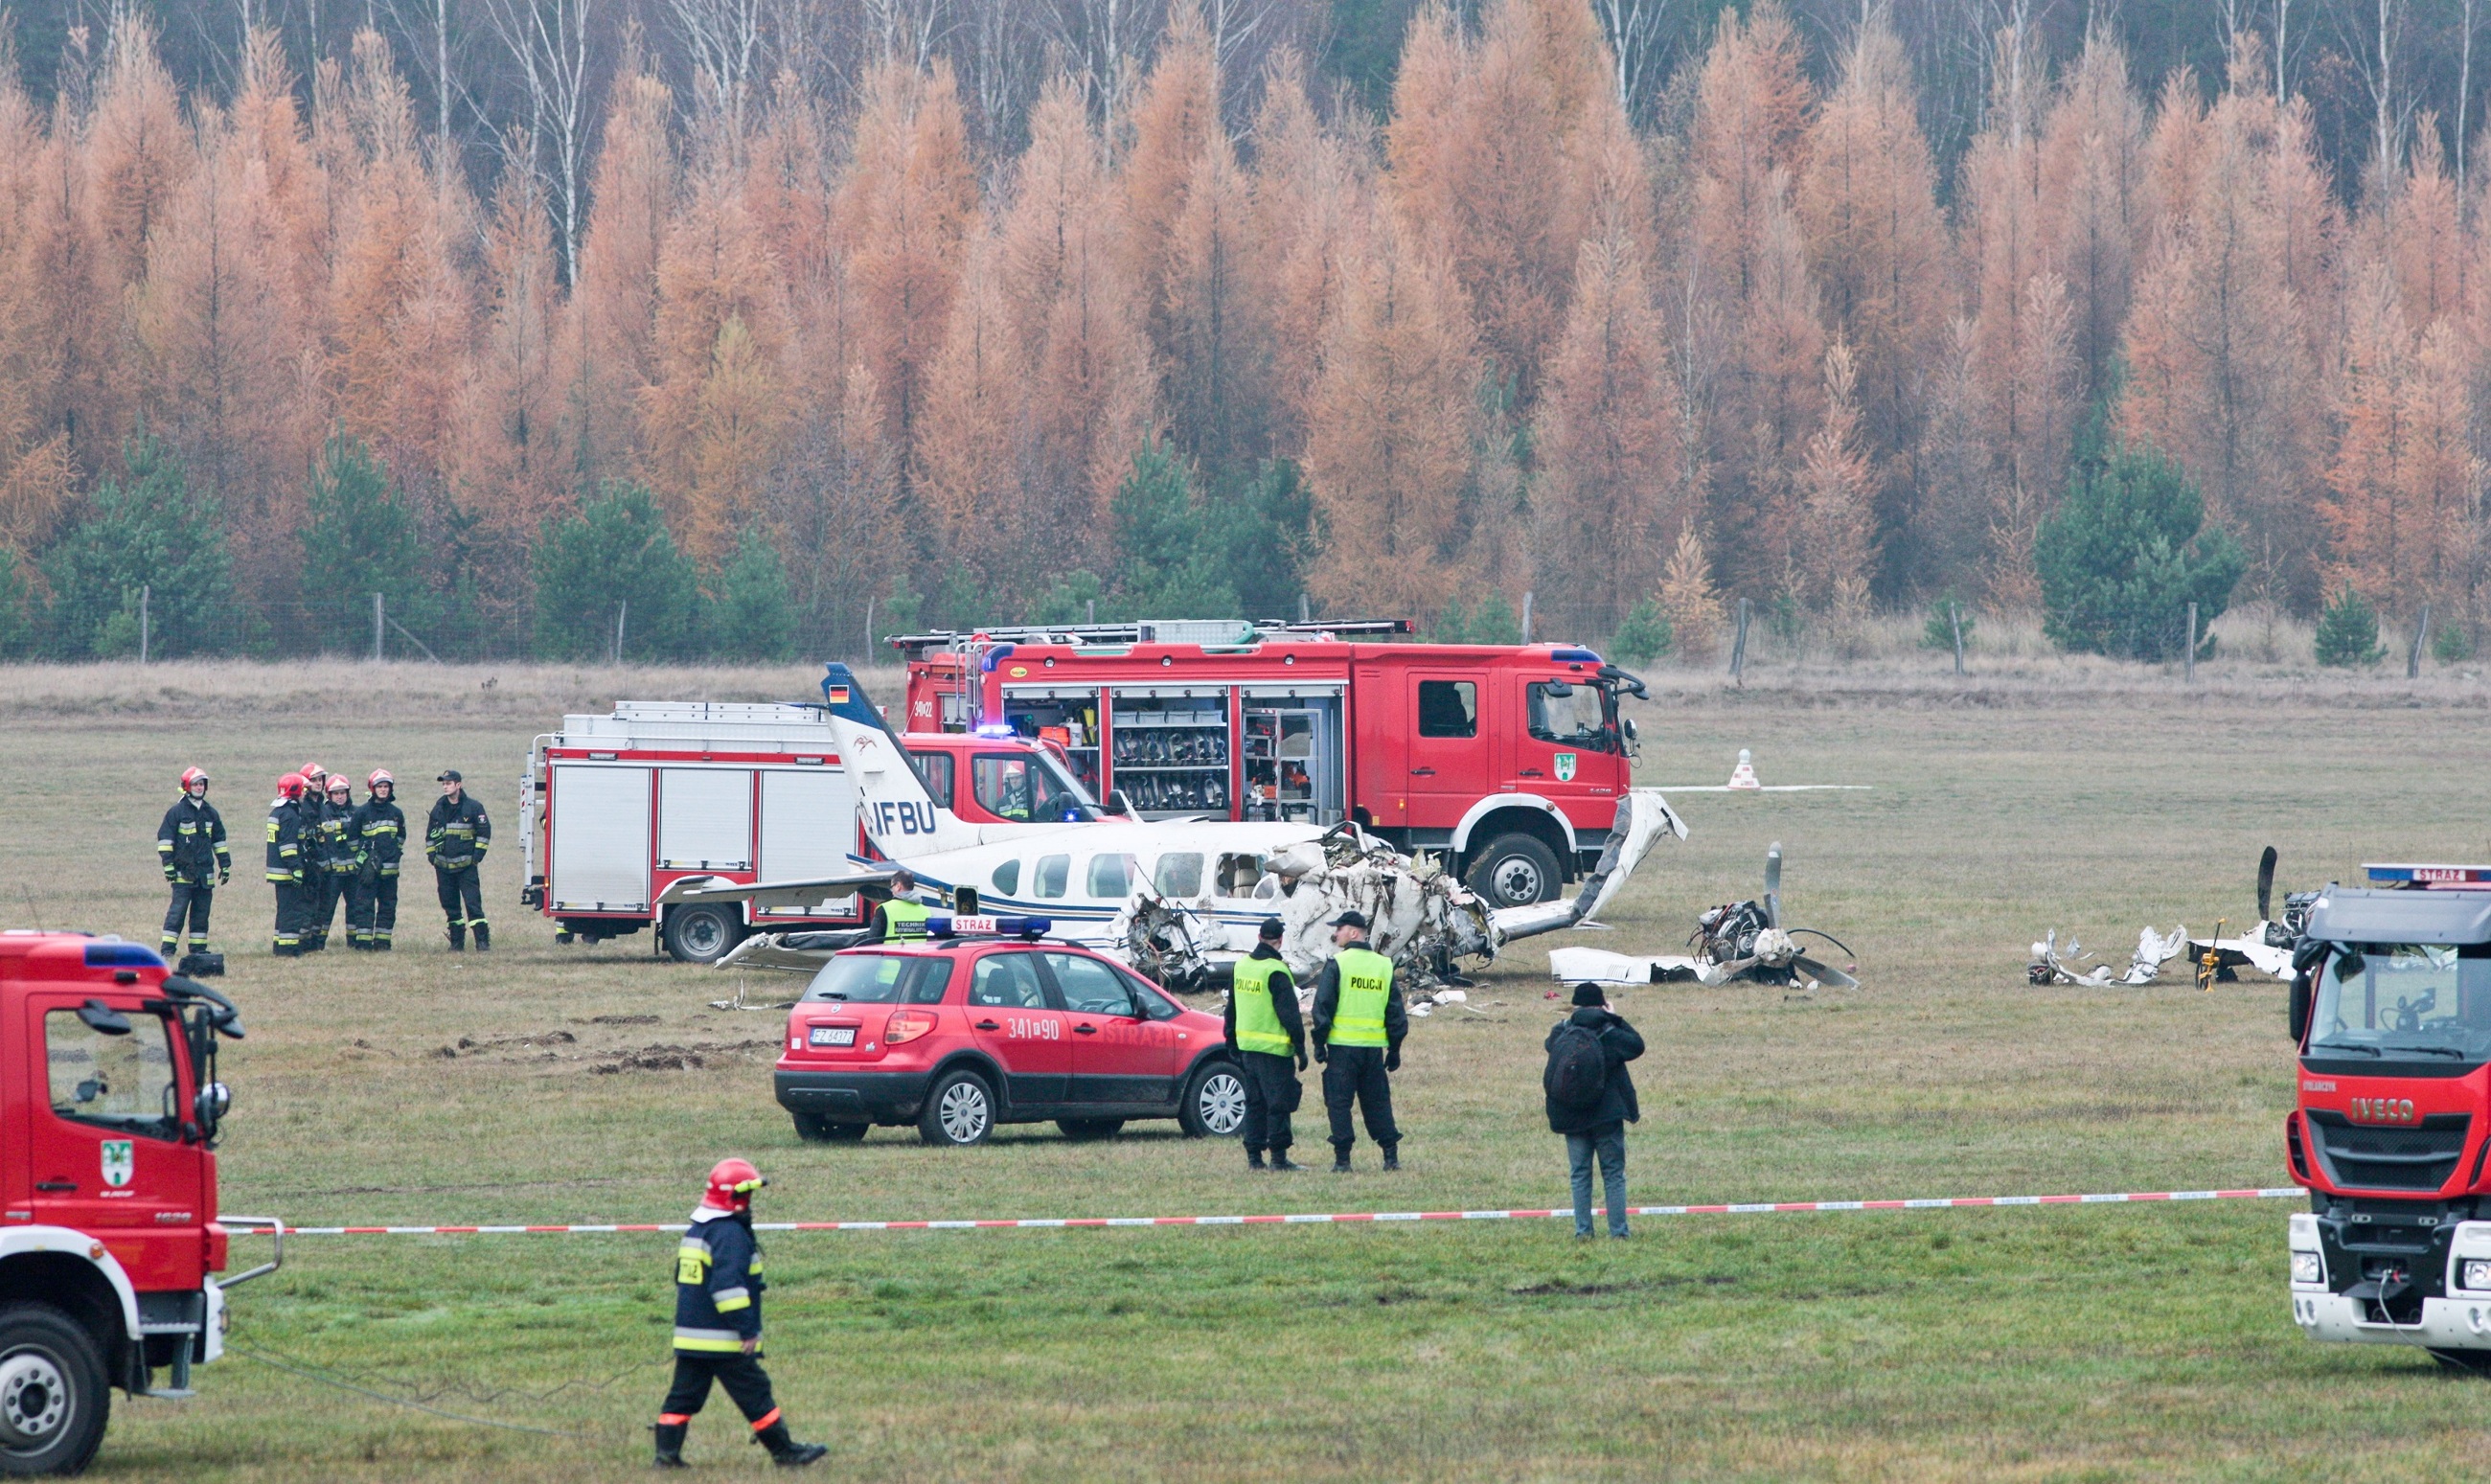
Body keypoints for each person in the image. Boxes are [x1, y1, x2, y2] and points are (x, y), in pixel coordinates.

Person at [652, 1158, 828, 1470]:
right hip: (723, 1339)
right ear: (735, 1198)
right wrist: (747, 1330)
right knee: (755, 1394)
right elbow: (727, 1290)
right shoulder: (729, 1235)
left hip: (691, 1337)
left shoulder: (698, 1230)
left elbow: (683, 1278)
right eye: (746, 1197)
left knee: (682, 1398)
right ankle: (785, 1453)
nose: (749, 1204)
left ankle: (666, 1457)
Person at [1544, 983, 1645, 1240]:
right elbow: (1637, 1046)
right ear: (1602, 1004)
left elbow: (1550, 1046)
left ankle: (1583, 1232)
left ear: (1575, 1005)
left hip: (1571, 1114)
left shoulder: (1563, 1032)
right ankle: (1619, 1233)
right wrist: (1615, 1018)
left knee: (1579, 1174)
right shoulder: (1611, 1031)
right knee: (1613, 1174)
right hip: (1607, 1114)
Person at [1309, 910, 1406, 1173]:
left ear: (1353, 932)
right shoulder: (1383, 966)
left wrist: (1319, 1043)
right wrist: (1394, 1049)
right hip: (1373, 1052)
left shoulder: (1338, 964)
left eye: (1339, 929)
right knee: (1377, 1103)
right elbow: (1395, 1013)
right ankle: (1390, 1157)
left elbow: (1322, 1008)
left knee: (1339, 1103)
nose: (1335, 934)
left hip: (1342, 1050)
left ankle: (1343, 1161)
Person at [1224, 917, 1308, 1171]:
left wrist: (1231, 1038)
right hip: (1274, 1051)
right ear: (1280, 941)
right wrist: (1301, 1048)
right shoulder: (1277, 970)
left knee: (1255, 1104)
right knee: (1278, 1104)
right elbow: (1290, 1015)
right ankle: (1279, 1159)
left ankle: (1254, 1158)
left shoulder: (1241, 967)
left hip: (1247, 1049)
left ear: (1259, 938)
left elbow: (1232, 1008)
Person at [156, 767, 229, 963]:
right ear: (187, 787)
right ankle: (167, 949)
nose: (199, 787)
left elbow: (219, 841)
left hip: (205, 872)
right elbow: (165, 840)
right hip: (183, 872)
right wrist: (168, 866)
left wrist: (225, 864)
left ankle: (198, 949)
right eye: (196, 784)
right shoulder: (176, 812)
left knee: (201, 912)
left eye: (202, 784)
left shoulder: (210, 812)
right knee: (177, 911)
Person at [426, 769, 491, 951]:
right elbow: (429, 836)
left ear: (458, 785)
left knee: (473, 904)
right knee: (450, 905)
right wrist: (432, 857)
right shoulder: (438, 808)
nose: (445, 786)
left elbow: (484, 833)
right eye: (443, 784)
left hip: (466, 867)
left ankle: (482, 941)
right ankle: (456, 942)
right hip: (443, 867)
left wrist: (476, 857)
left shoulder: (473, 807)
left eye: (448, 783)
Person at [349, 770, 405, 950]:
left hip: (390, 872)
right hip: (368, 872)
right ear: (372, 789)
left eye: (386, 787)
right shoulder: (362, 812)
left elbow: (401, 838)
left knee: (388, 907)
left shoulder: (396, 813)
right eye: (380, 786)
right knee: (364, 906)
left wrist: (393, 854)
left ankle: (383, 943)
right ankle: (363, 943)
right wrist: (363, 857)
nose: (383, 790)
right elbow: (352, 840)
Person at [303, 773, 358, 952]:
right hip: (332, 873)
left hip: (353, 872)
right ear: (329, 795)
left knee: (355, 909)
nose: (340, 796)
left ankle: (354, 943)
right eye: (336, 793)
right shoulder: (323, 813)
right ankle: (318, 944)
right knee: (325, 910)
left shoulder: (357, 812)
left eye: (343, 792)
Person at [264, 774, 309, 957]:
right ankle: (288, 949)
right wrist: (297, 869)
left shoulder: (277, 811)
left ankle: (279, 945)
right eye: (303, 790)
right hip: (287, 872)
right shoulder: (290, 815)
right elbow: (288, 847)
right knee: (291, 911)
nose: (304, 794)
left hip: (278, 871)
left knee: (283, 910)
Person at [864, 869, 932, 943]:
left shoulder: (884, 909)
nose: (891, 890)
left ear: (898, 886)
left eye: (892, 886)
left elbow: (871, 941)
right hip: (919, 953)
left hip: (892, 954)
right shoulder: (926, 911)